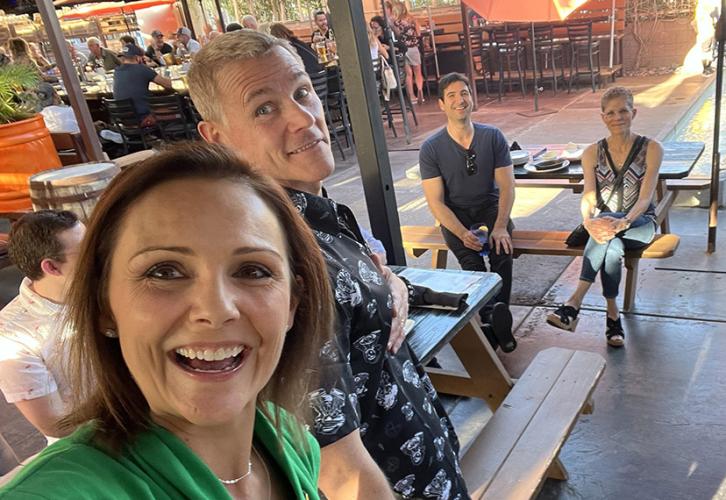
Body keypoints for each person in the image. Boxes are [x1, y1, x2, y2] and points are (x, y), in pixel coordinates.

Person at [189, 29, 468, 499]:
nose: (304, 118)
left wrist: (389, 284)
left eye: (301, 92)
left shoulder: (311, 215)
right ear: (217, 138)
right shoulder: (283, 267)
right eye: (264, 108)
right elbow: (338, 472)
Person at [0, 144, 332, 499]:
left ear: (292, 304)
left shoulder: (293, 442)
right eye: (165, 271)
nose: (216, 309)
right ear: (104, 306)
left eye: (252, 270)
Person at [546, 87, 663, 348]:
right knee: (611, 246)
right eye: (610, 112)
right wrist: (588, 221)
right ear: (603, 117)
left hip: (640, 224)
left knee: (607, 229)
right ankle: (613, 316)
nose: (617, 117)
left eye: (623, 110)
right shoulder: (592, 152)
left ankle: (574, 302)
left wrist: (623, 221)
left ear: (634, 112)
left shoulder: (652, 148)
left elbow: (645, 199)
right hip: (607, 229)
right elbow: (588, 194)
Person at [419, 72, 515, 334]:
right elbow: (436, 203)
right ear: (441, 104)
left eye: (464, 93)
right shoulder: (431, 148)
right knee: (471, 263)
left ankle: (497, 315)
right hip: (456, 214)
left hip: (490, 208)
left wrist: (501, 226)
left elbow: (507, 186)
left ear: (471, 99)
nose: (459, 100)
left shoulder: (492, 136)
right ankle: (492, 320)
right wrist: (461, 233)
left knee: (502, 251)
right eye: (451, 95)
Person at [0, 210, 85, 439]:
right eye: (86, 251)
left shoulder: (103, 288)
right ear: (52, 268)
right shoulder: (11, 337)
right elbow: (56, 425)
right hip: (94, 447)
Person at [113, 44, 172, 124]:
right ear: (138, 57)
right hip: (143, 118)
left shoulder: (117, 71)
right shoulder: (143, 69)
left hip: (123, 119)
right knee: (176, 108)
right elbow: (168, 85)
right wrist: (167, 76)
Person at [392, 2, 424, 104]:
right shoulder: (412, 19)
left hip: (403, 49)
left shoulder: (395, 22)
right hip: (413, 48)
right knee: (418, 72)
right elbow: (419, 34)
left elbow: (397, 36)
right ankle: (420, 92)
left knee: (408, 74)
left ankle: (412, 97)